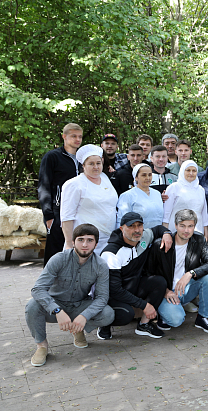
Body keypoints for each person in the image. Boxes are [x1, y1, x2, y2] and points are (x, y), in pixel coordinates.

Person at [26, 224, 115, 367]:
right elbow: (38, 289)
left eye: (90, 240)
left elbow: (102, 297)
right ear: (73, 242)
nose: (85, 244)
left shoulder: (100, 265)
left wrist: (84, 316)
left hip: (79, 305)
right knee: (32, 306)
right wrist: (56, 310)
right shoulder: (59, 259)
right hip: (55, 306)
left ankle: (78, 329)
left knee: (108, 313)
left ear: (96, 244)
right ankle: (41, 346)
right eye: (80, 240)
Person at [100, 213, 173, 339]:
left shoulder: (143, 237)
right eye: (131, 226)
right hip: (112, 295)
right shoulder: (111, 253)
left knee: (159, 282)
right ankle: (103, 324)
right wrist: (144, 305)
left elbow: (157, 229)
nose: (137, 230)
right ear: (122, 229)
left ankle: (144, 325)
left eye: (139, 225)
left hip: (132, 285)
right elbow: (114, 290)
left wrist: (166, 233)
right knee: (126, 315)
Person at [156, 209, 208, 332]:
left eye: (190, 226)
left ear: (194, 226)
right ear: (175, 226)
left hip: (185, 289)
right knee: (176, 320)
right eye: (182, 226)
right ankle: (163, 313)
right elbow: (149, 273)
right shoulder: (161, 244)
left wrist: (191, 273)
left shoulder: (198, 239)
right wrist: (165, 291)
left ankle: (202, 317)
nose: (186, 230)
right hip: (166, 292)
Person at [60, 145, 118, 254]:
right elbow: (66, 217)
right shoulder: (74, 184)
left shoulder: (105, 178)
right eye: (91, 164)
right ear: (83, 165)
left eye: (98, 163)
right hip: (85, 242)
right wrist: (69, 243)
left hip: (108, 239)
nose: (96, 167)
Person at [38, 123, 82, 265]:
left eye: (80, 136)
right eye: (74, 136)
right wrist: (48, 215)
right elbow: (44, 186)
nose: (77, 139)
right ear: (64, 136)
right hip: (58, 211)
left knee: (76, 250)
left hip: (79, 210)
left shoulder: (83, 159)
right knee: (55, 253)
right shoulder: (52, 157)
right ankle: (48, 280)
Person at [162, 160, 208, 239]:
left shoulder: (201, 189)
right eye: (188, 170)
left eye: (194, 170)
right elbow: (166, 214)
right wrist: (165, 232)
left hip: (197, 230)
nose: (191, 173)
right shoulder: (173, 187)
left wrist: (206, 234)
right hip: (177, 230)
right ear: (182, 171)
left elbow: (204, 213)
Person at [116, 164, 164, 229]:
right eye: (144, 175)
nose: (147, 178)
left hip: (157, 233)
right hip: (137, 233)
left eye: (150, 175)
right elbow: (122, 220)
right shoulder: (128, 195)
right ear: (136, 177)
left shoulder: (157, 193)